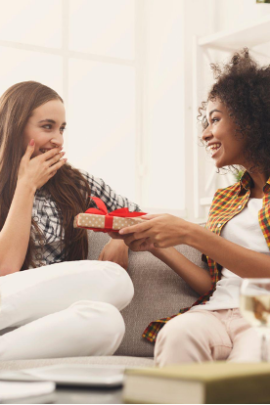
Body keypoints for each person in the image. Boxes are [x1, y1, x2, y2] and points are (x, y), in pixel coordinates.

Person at [115, 49, 270, 364]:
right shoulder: (226, 199)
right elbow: (213, 284)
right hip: (216, 311)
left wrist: (188, 232)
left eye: (215, 119)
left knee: (254, 356)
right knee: (178, 333)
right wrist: (158, 245)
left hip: (263, 316)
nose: (205, 134)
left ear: (252, 120)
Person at [0, 80, 138, 360]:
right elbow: (6, 269)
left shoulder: (74, 182)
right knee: (114, 280)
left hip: (32, 327)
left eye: (61, 129)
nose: (58, 139)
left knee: (107, 322)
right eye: (47, 126)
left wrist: (121, 238)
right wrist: (26, 185)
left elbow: (136, 214)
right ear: (14, 127)